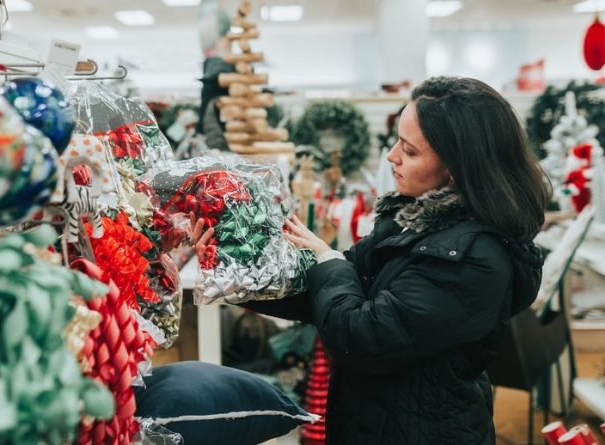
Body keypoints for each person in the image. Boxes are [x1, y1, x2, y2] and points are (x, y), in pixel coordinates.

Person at [192, 76, 550, 444]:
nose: (392, 157)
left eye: (410, 151)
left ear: (457, 169)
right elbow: (328, 295)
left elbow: (361, 336)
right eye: (397, 142)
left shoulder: (473, 260)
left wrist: (328, 261)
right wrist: (234, 268)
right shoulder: (412, 224)